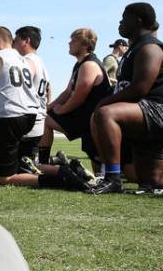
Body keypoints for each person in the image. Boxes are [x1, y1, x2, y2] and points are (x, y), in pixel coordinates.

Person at [0, 26, 89, 190]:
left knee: (6, 178)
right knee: (17, 161)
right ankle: (61, 171)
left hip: (10, 115)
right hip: (30, 114)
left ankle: (61, 180)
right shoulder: (22, 59)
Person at [89, 3, 163, 195]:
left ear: (137, 20)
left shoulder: (150, 48)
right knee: (149, 180)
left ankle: (112, 178)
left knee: (106, 114)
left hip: (161, 111)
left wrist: (103, 102)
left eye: (124, 17)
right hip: (149, 112)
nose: (120, 22)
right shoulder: (136, 48)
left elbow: (140, 88)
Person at [39, 29, 112, 169]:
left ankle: (43, 164)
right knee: (96, 159)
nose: (69, 42)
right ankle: (44, 163)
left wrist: (61, 111)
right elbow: (68, 92)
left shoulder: (89, 65)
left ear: (85, 44)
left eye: (73, 40)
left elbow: (78, 97)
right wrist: (50, 106)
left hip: (91, 118)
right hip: (86, 116)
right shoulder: (80, 64)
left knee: (45, 120)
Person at [13, 26, 50, 172]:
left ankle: (62, 173)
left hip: (28, 123)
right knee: (27, 165)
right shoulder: (41, 62)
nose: (13, 44)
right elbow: (48, 90)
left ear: (26, 41)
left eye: (16, 40)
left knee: (14, 169)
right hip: (39, 121)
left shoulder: (26, 61)